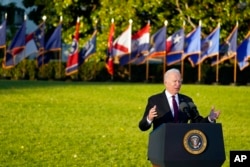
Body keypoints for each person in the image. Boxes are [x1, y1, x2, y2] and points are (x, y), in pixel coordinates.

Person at [138, 68, 221, 166]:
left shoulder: (187, 100)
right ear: (166, 82)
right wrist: (149, 118)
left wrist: (209, 119)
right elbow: (142, 126)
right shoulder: (155, 100)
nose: (178, 84)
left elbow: (196, 122)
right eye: (174, 81)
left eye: (180, 81)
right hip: (162, 152)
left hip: (183, 150)